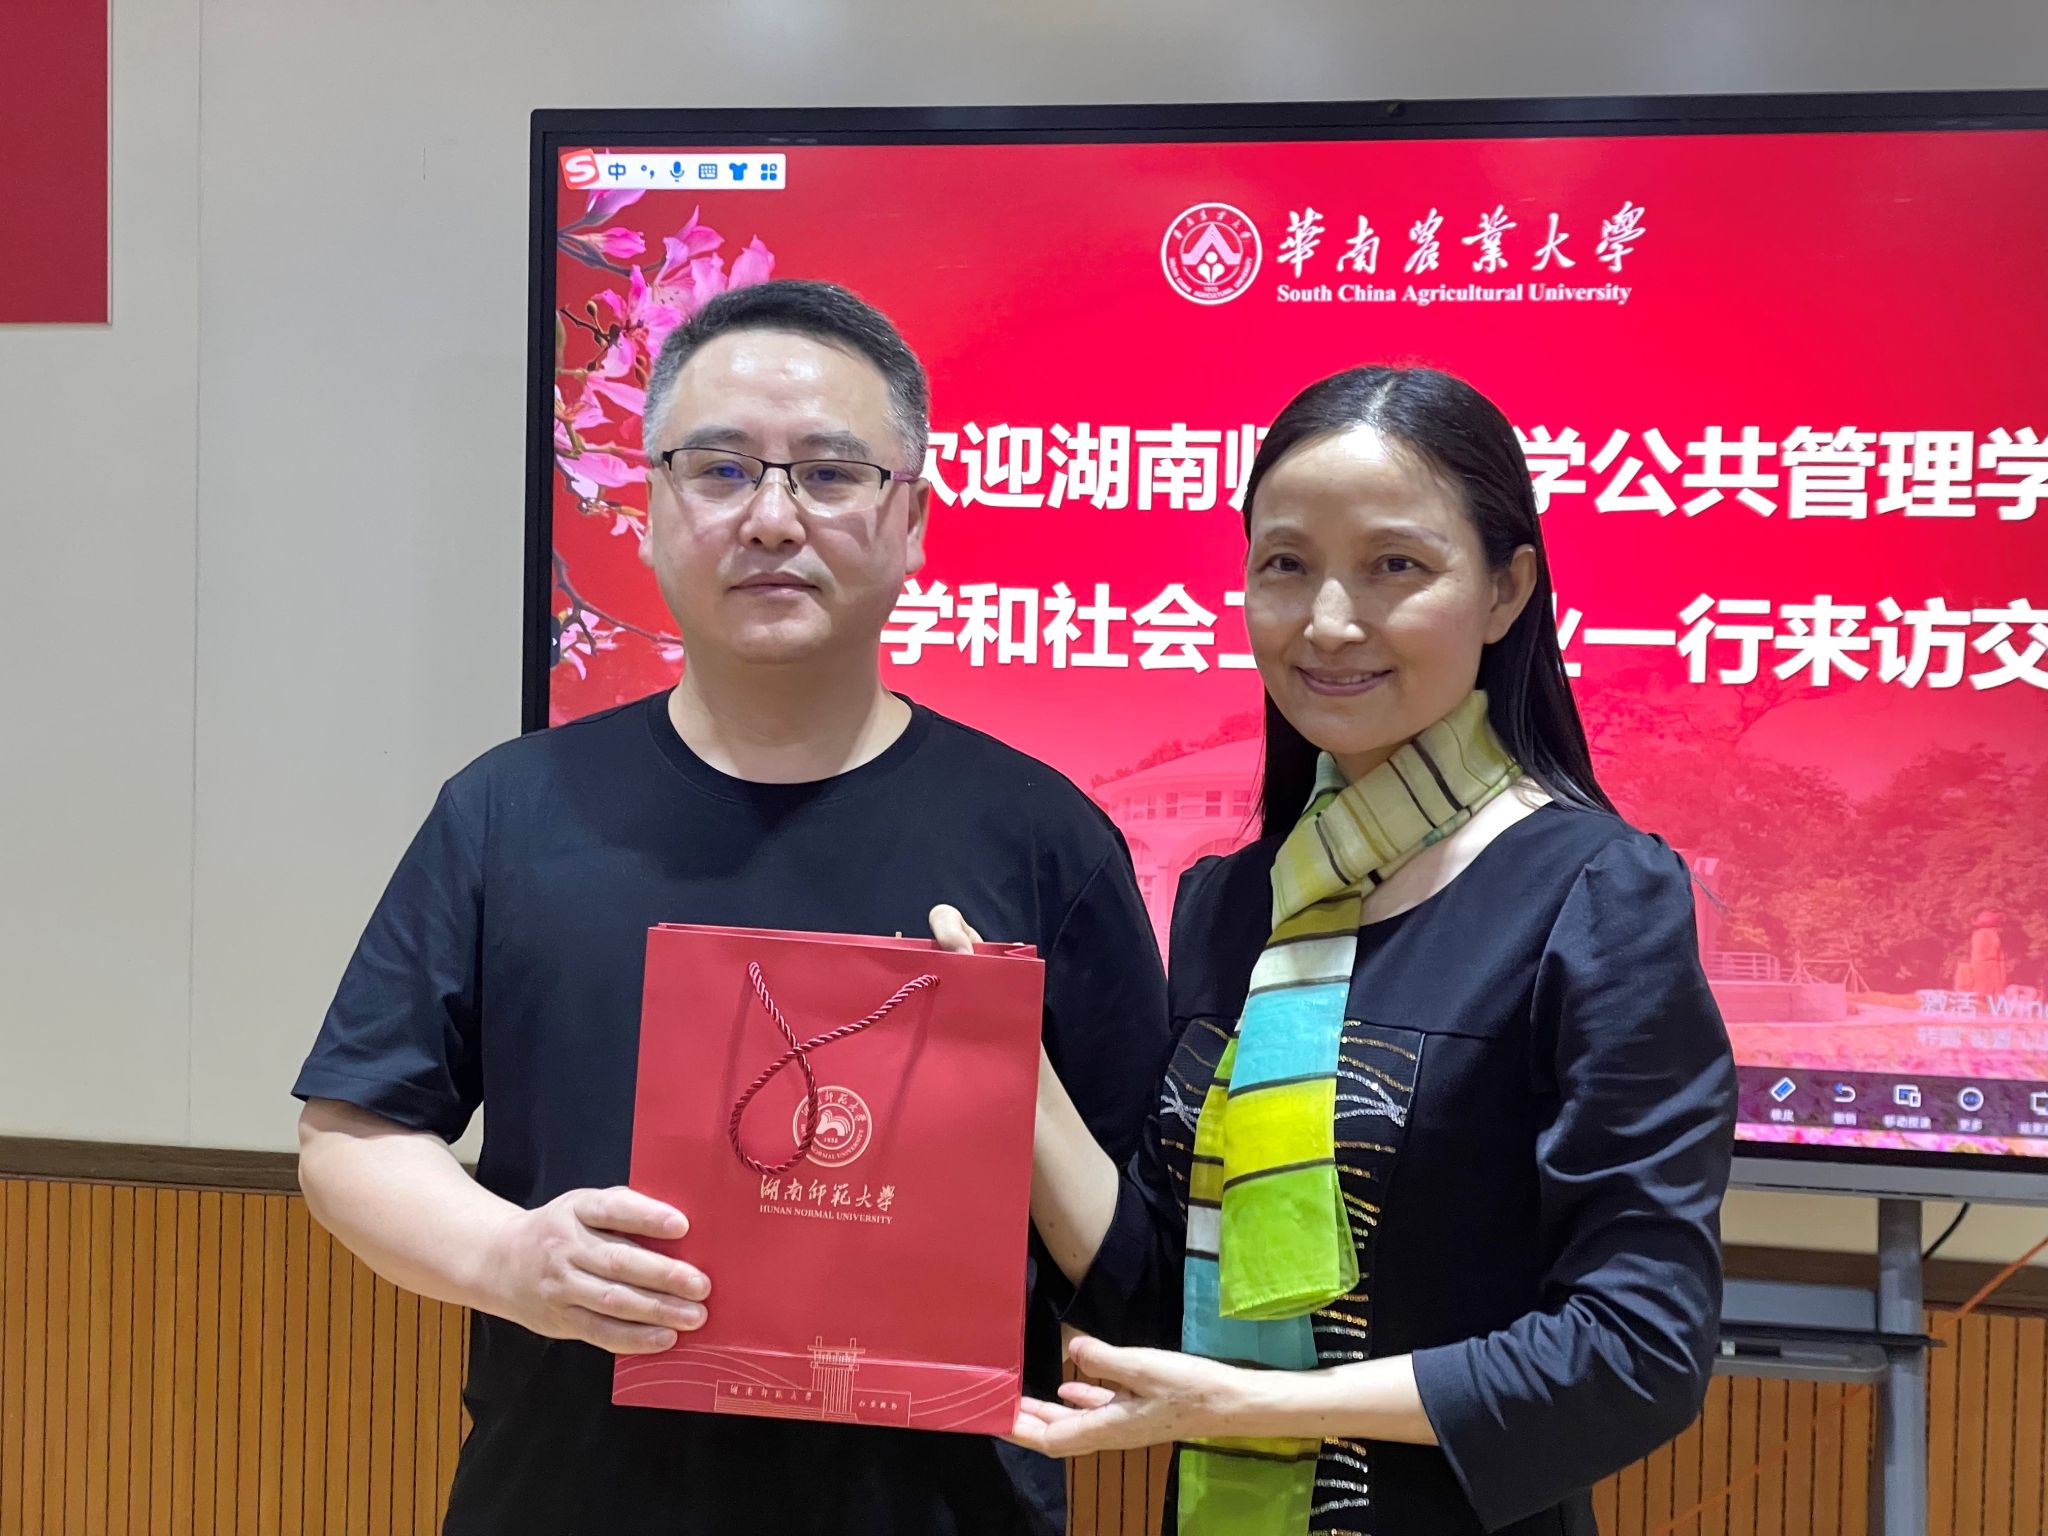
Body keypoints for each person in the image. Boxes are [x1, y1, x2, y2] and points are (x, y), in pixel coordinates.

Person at [293, 279, 1168, 1536]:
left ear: (911, 519)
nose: (770, 517)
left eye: (829, 474)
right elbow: (351, 1135)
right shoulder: (509, 811)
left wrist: (1010, 1097)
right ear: (651, 513)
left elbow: (1139, 1247)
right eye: (718, 471)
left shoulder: (1041, 837)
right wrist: (510, 1259)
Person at [1008, 366, 1738, 1535]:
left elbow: (1635, 1350)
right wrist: (1002, 1057)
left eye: (1395, 565)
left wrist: (1259, 1405)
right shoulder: (1228, 903)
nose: (1328, 621)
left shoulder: (1594, 895)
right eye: (1284, 565)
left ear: (1505, 590)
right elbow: (1159, 1301)